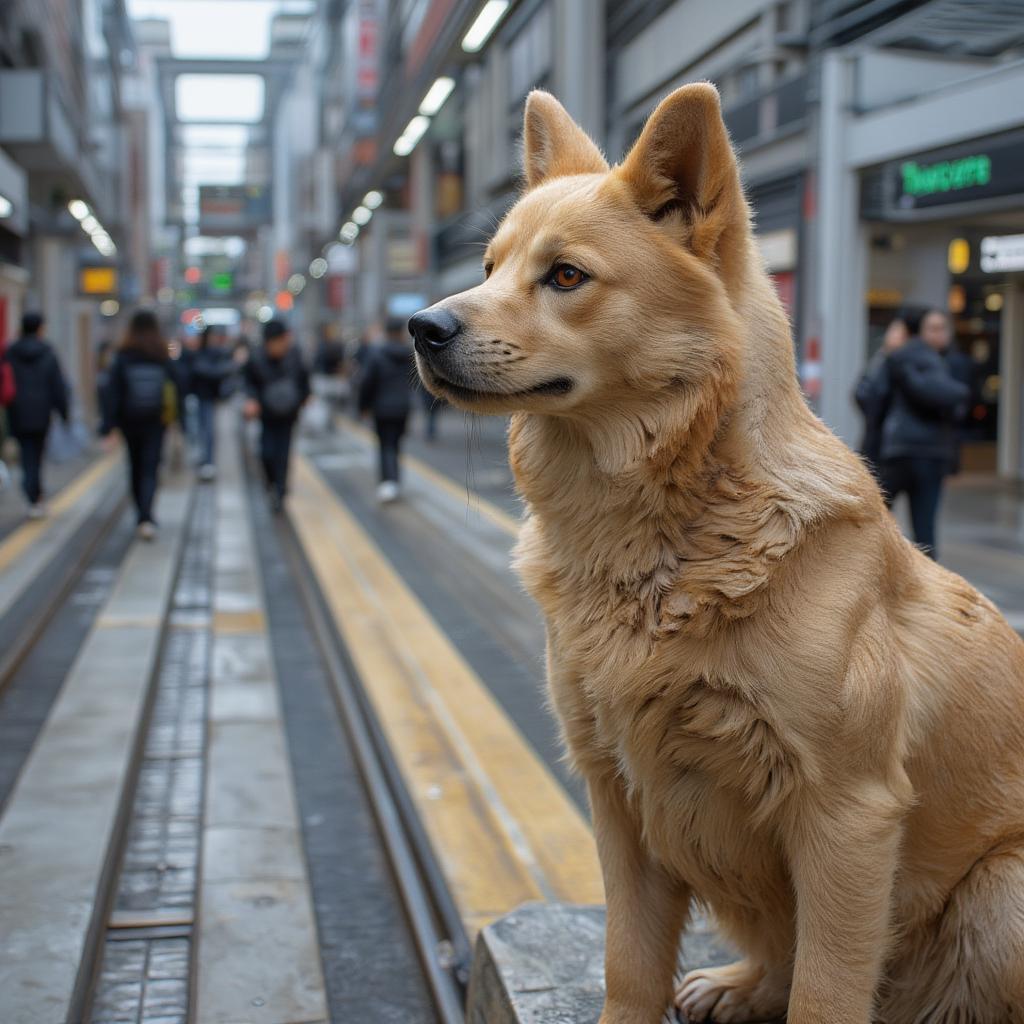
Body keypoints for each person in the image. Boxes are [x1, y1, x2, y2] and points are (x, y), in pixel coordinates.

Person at [877, 307, 969, 559]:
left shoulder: (951, 362)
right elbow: (871, 399)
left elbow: (958, 409)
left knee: (922, 529)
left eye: (943, 328)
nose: (939, 335)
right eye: (933, 328)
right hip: (901, 452)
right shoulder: (905, 359)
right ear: (919, 332)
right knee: (877, 522)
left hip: (928, 454)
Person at [102, 310, 179, 540]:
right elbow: (176, 385)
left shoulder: (124, 354)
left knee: (135, 466)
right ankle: (147, 515)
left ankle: (140, 514)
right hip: (156, 420)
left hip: (129, 419)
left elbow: (112, 391)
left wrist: (109, 425)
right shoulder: (161, 353)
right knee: (151, 467)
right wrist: (178, 418)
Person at [2, 312, 69, 518]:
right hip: (41, 412)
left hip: (16, 411)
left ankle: (31, 491)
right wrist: (64, 412)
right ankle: (35, 495)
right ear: (40, 328)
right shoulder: (47, 351)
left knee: (26, 453)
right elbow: (57, 385)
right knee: (37, 455)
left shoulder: (10, 352)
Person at [244, 319, 309, 513]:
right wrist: (252, 400)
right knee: (266, 452)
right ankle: (271, 482)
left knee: (283, 454)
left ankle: (280, 491)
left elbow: (304, 381)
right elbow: (249, 383)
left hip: (288, 415)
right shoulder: (256, 358)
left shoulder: (295, 355)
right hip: (266, 414)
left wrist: (303, 399)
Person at [358, 317, 414, 503]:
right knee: (396, 444)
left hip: (381, 408)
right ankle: (395, 480)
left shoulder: (377, 353)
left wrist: (363, 406)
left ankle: (388, 482)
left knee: (385, 445)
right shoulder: (408, 354)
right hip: (403, 407)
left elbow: (367, 382)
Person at [854, 311, 911, 478]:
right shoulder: (881, 360)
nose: (892, 336)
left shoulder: (905, 364)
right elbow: (863, 394)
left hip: (897, 446)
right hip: (878, 441)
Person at [189, 324, 234, 481]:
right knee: (201, 428)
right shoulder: (200, 354)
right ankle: (204, 458)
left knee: (207, 429)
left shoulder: (218, 353)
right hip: (199, 396)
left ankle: (207, 460)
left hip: (208, 397)